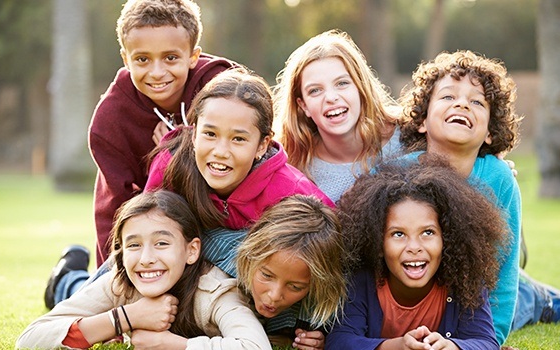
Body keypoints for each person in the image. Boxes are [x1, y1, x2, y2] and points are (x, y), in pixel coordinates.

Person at [395, 49, 560, 345]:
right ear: (422, 121)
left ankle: (541, 298)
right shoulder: (399, 172)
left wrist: (489, 340)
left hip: (480, 291)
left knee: (526, 300)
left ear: (489, 133)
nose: (461, 103)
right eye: (447, 97)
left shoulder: (498, 179)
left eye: (476, 102)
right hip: (425, 291)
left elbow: (503, 268)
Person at [17, 190, 271, 350]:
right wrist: (124, 318)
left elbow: (255, 346)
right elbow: (29, 340)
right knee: (69, 290)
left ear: (191, 251)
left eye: (161, 243)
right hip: (91, 293)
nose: (146, 258)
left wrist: (175, 345)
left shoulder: (215, 292)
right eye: (134, 245)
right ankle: (67, 274)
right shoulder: (119, 282)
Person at [88, 0, 237, 268]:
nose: (157, 73)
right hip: (149, 234)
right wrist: (113, 271)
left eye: (170, 58)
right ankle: (67, 279)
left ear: (193, 55)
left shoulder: (223, 87)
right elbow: (114, 206)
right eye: (142, 59)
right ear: (125, 59)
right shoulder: (111, 118)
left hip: (219, 221)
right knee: (96, 291)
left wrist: (180, 146)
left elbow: (249, 154)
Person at [327, 159, 504, 350]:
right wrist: (397, 346)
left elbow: (486, 342)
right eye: (398, 234)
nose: (414, 247)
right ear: (378, 243)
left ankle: (539, 297)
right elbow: (339, 341)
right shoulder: (363, 279)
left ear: (448, 237)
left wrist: (451, 346)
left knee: (526, 300)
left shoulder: (465, 279)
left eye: (428, 232)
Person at [145, 68, 334, 228]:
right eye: (210, 134)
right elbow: (145, 229)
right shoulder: (170, 165)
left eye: (238, 139)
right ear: (194, 135)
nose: (220, 151)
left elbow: (331, 238)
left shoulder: (291, 191)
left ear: (262, 145)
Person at [273, 29, 401, 203]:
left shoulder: (406, 136)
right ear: (303, 106)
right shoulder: (293, 170)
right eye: (315, 90)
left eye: (342, 83)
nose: (331, 98)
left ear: (360, 87)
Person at [236, 194, 347, 350]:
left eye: (295, 287)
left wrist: (322, 343)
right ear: (250, 257)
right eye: (266, 275)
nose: (274, 296)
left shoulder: (321, 307)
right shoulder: (223, 255)